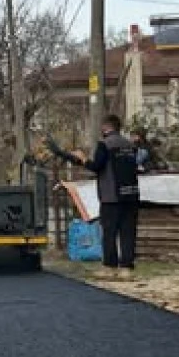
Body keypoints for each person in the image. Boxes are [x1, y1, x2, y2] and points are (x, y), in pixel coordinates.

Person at [66, 115, 141, 278]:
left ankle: (110, 266)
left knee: (110, 232)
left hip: (111, 196)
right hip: (131, 194)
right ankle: (127, 268)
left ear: (107, 127)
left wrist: (82, 158)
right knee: (128, 232)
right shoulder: (130, 145)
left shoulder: (105, 145)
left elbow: (97, 166)